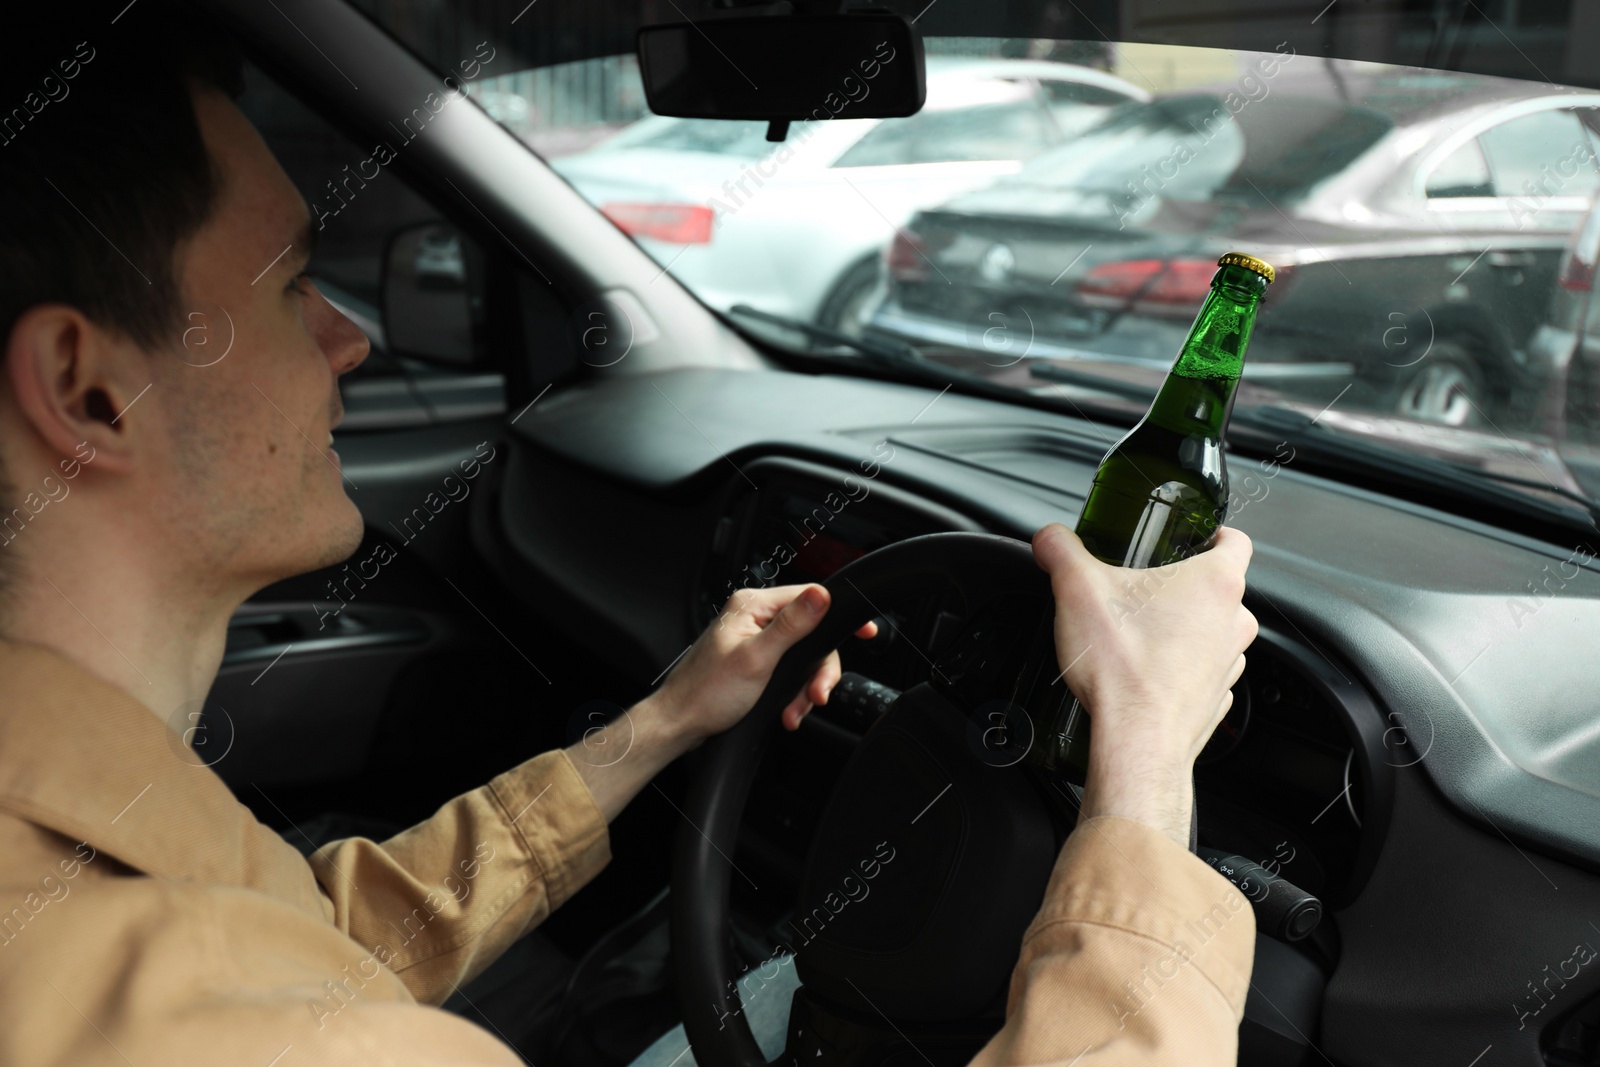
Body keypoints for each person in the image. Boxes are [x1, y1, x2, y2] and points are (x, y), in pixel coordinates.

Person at [0, 3, 1258, 1065]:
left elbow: (309, 947)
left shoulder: (95, 856)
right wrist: (1144, 765)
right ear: (89, 387)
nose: (351, 337)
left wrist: (664, 722)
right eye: (289, 286)